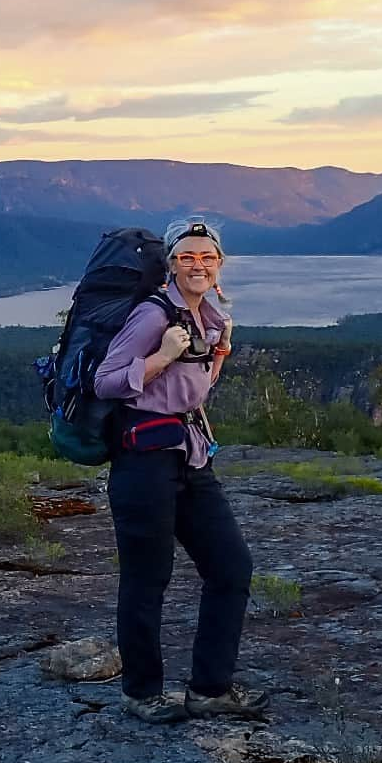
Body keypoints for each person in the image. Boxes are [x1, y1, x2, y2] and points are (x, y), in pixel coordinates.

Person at [93, 217, 268, 723]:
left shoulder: (208, 316)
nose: (198, 265)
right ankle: (142, 693)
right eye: (187, 257)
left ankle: (210, 690)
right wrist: (164, 355)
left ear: (219, 267)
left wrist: (220, 354)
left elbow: (194, 393)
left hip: (191, 457)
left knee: (231, 568)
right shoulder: (153, 315)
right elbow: (107, 381)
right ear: (171, 264)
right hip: (144, 461)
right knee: (148, 579)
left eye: (207, 258)